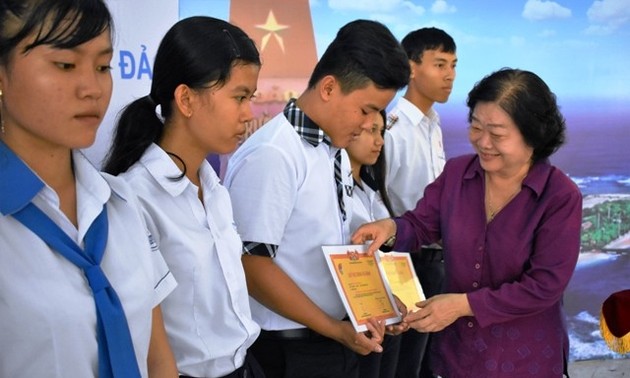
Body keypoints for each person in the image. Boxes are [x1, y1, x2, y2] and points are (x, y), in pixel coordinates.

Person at [353, 68, 582, 377]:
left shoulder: (559, 196)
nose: (483, 142)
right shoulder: (459, 173)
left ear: (534, 134)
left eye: (498, 134)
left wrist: (462, 305)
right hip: (457, 355)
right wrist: (391, 229)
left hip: (526, 360)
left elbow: (544, 286)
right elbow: (421, 224)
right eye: (476, 127)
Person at [0, 1, 178, 377]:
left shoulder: (121, 202)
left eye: (102, 67)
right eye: (65, 65)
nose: (93, 89)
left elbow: (157, 356)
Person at [224, 19, 410, 378]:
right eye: (366, 109)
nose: (370, 123)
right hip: (289, 349)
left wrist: (380, 304)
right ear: (328, 87)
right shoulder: (274, 154)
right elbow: (252, 266)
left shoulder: (333, 149)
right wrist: (334, 327)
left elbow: (336, 248)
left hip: (332, 340)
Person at [103, 16, 265, 378]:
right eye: (239, 97)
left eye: (250, 97)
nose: (248, 113)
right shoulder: (135, 199)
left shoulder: (214, 188)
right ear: (186, 99)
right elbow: (145, 340)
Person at [383, 27, 457, 378]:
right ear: (411, 68)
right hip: (403, 262)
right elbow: (380, 201)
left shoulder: (433, 125)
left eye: (454, 65)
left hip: (436, 262)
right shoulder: (393, 129)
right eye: (440, 64)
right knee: (403, 366)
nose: (450, 76)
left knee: (429, 365)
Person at [347, 110, 403, 378]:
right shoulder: (335, 189)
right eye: (371, 130)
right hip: (354, 318)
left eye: (382, 132)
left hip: (386, 311)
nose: (379, 141)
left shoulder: (373, 191)